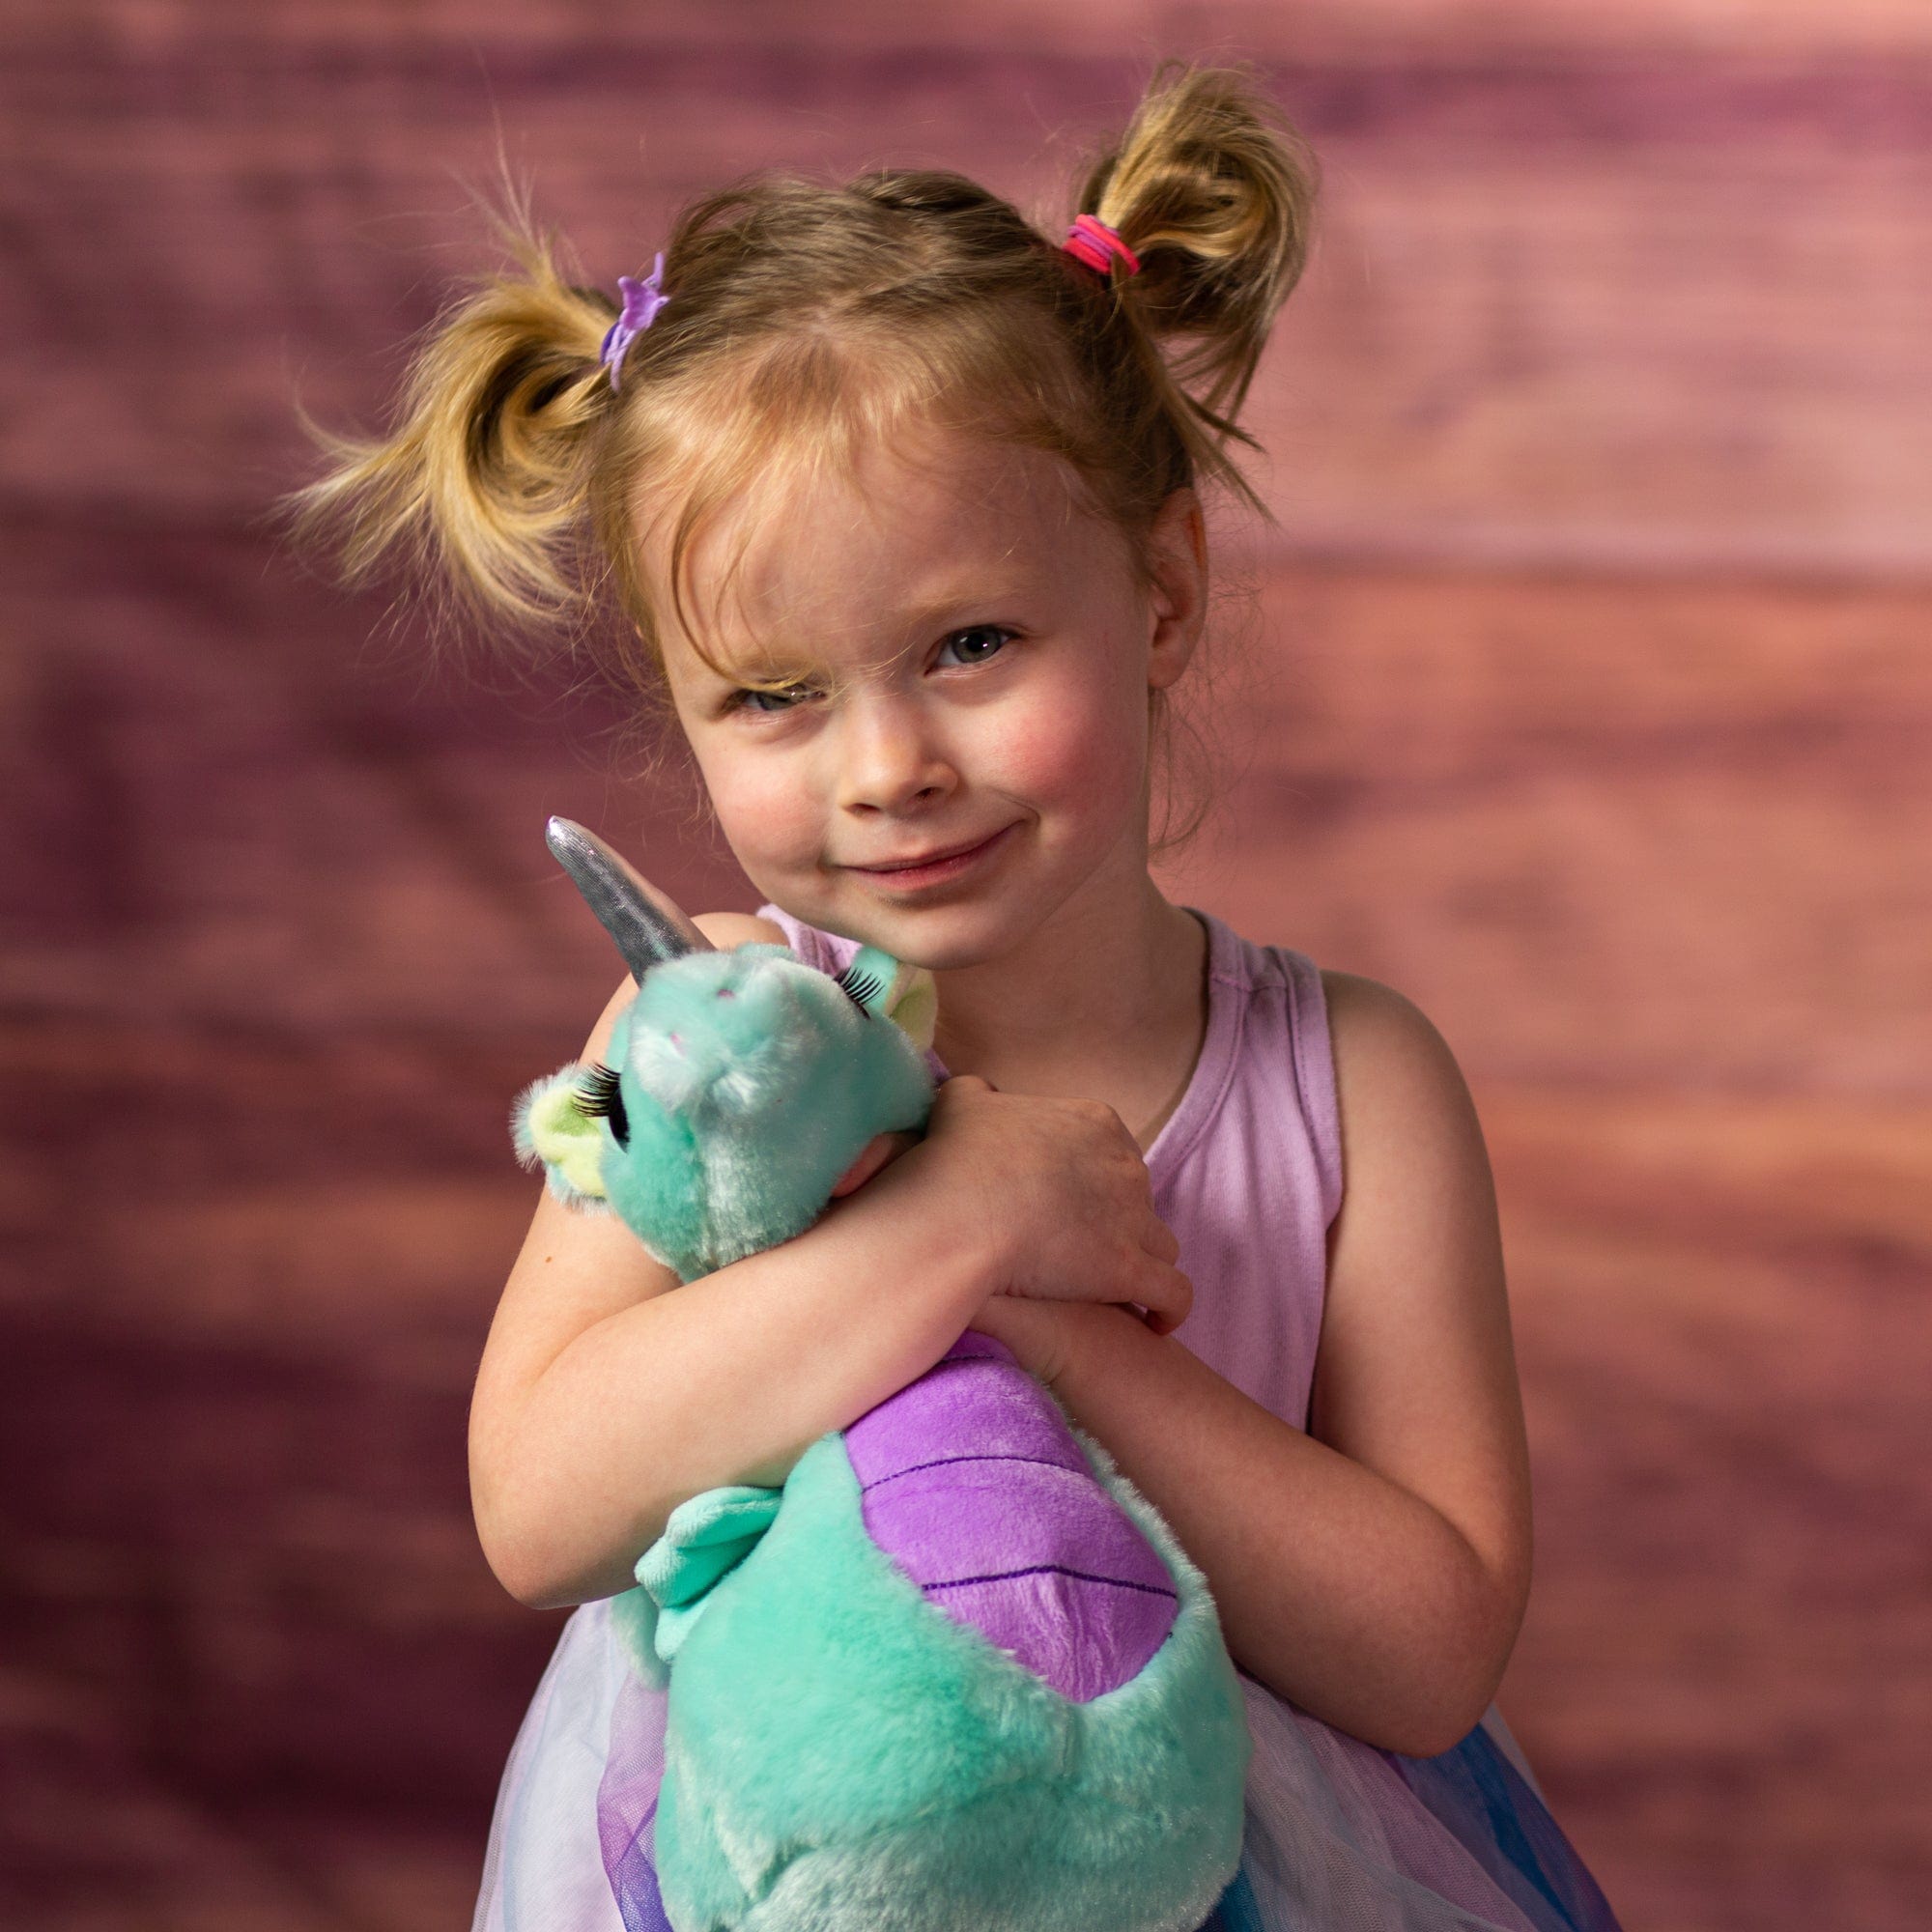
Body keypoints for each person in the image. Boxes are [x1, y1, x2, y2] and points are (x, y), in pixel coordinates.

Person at [294, 59, 1623, 1932]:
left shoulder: (1350, 1073)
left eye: (971, 644)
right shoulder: (702, 1037)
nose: (887, 763)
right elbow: (540, 1502)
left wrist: (1054, 1332)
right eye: (773, 693)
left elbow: (1422, 1651)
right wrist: (974, 1208)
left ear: (1159, 596)